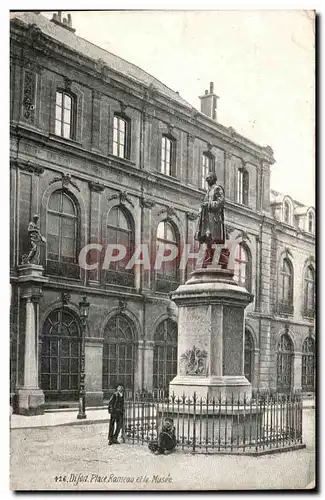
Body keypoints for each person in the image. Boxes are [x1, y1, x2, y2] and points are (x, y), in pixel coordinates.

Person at [195, 172, 225, 268]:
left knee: (213, 240)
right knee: (207, 239)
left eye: (209, 178)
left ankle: (214, 259)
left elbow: (220, 203)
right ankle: (208, 258)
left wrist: (207, 204)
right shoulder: (208, 190)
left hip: (214, 219)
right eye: (206, 178)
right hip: (206, 219)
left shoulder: (217, 188)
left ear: (213, 179)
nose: (207, 180)